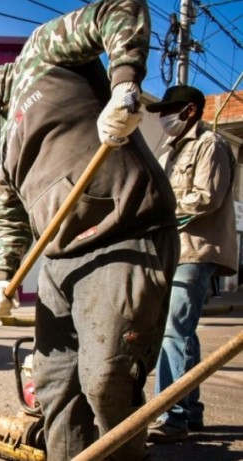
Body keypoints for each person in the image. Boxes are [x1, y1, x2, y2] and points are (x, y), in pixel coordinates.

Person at [0, 1, 179, 459]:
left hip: (123, 235)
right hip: (60, 260)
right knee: (55, 389)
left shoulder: (41, 55)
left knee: (106, 380)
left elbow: (119, 10)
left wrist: (124, 85)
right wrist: (0, 278)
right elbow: (7, 217)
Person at [145, 85, 237, 443]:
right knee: (183, 333)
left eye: (171, 110)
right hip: (173, 250)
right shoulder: (170, 150)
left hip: (195, 250)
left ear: (191, 111)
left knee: (174, 331)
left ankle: (173, 416)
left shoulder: (210, 145)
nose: (165, 118)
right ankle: (190, 410)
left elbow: (206, 198)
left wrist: (160, 212)